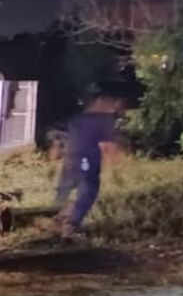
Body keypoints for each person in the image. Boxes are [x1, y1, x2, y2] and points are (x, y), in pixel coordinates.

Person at [53, 94, 127, 237]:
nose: (113, 108)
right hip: (87, 162)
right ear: (99, 101)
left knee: (63, 190)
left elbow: (62, 142)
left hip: (69, 160)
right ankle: (70, 225)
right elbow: (107, 146)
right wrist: (118, 166)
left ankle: (55, 217)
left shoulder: (76, 118)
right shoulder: (103, 120)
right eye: (110, 102)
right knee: (88, 192)